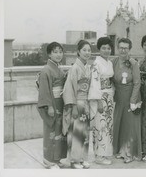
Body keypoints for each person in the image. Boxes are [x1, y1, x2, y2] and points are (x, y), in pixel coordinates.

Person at [37, 42, 67, 169]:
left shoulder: (59, 69)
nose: (58, 54)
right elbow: (44, 90)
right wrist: (48, 106)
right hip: (52, 103)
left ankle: (57, 158)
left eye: (60, 52)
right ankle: (48, 159)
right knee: (51, 131)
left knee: (59, 131)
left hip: (60, 102)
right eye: (55, 52)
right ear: (49, 54)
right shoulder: (46, 70)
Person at [62, 40, 92, 169]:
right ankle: (74, 160)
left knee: (84, 132)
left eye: (89, 50)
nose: (87, 52)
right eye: (84, 50)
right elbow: (69, 88)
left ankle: (83, 158)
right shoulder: (75, 68)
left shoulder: (88, 67)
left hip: (85, 102)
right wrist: (73, 106)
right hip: (78, 102)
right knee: (76, 132)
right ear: (78, 52)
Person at [112, 38, 142, 163]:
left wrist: (133, 100)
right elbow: (111, 80)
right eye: (121, 47)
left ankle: (129, 153)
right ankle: (120, 150)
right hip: (119, 97)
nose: (123, 50)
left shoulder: (133, 63)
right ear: (118, 48)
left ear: (129, 49)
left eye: (126, 48)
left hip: (130, 95)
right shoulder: (114, 61)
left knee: (130, 126)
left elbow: (137, 83)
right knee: (120, 123)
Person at [88, 37, 114, 165]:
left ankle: (106, 152)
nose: (106, 50)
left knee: (108, 125)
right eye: (103, 48)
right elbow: (94, 83)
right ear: (99, 49)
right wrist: (98, 101)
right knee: (100, 125)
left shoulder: (110, 63)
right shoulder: (96, 64)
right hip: (100, 97)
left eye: (108, 48)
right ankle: (99, 155)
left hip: (109, 96)